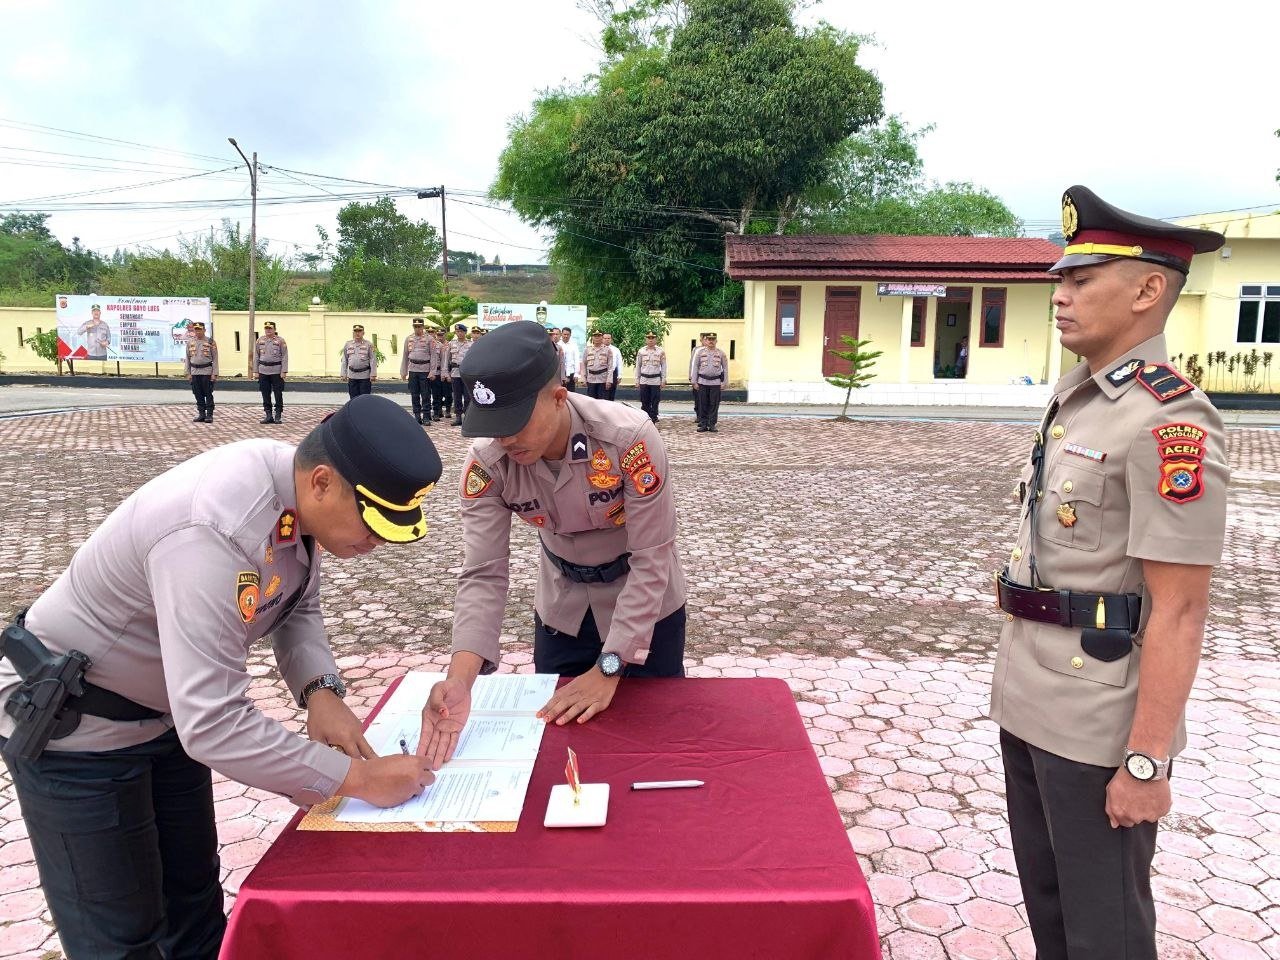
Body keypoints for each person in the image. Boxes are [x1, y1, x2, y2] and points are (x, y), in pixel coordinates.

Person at [0, 394, 442, 960]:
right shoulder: (213, 528)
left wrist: (320, 691)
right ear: (324, 483)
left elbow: (294, 599)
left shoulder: (295, 489)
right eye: (374, 525)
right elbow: (213, 723)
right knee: (120, 940)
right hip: (79, 735)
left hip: (166, 720)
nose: (377, 543)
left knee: (195, 915)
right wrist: (356, 779)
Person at [991, 185, 1229, 960]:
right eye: (1060, 279)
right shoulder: (1079, 397)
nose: (1060, 296)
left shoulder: (1167, 418)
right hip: (1032, 697)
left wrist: (1146, 762)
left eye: (1081, 280)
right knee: (1053, 917)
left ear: (1148, 290)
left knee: (1106, 935)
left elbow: (1181, 609)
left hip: (1098, 723)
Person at [419, 321, 687, 768]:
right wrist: (460, 682)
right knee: (560, 752)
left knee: (655, 746)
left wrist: (610, 666)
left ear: (559, 397)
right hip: (563, 611)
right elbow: (483, 572)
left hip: (646, 608)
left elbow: (652, 556)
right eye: (492, 425)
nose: (505, 438)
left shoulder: (628, 438)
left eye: (514, 423)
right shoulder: (488, 462)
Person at [182, 321, 218, 424]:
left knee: (208, 393)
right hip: (194, 372)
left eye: (200, 330)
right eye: (196, 330)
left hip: (207, 371)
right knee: (197, 394)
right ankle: (201, 414)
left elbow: (215, 359)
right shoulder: (190, 342)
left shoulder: (211, 342)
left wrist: (214, 373)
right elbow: (187, 358)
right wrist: (188, 373)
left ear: (204, 330)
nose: (198, 332)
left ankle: (209, 414)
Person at [692, 331, 728, 432]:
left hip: (715, 382)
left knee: (714, 404)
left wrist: (725, 382)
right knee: (703, 403)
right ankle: (703, 424)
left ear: (716, 341)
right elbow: (695, 367)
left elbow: (725, 369)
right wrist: (694, 381)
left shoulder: (721, 353)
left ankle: (712, 424)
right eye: (709, 339)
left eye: (713, 339)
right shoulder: (699, 353)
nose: (711, 341)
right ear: (706, 340)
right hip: (702, 382)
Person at [253, 321, 288, 425]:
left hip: (276, 371)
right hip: (263, 370)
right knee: (265, 393)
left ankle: (278, 415)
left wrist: (284, 371)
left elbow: (285, 356)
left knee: (278, 393)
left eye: (270, 328)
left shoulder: (280, 341)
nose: (268, 330)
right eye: (266, 328)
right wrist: (255, 371)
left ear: (274, 329)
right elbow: (256, 356)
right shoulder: (260, 340)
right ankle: (268, 415)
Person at [402, 318, 434, 424]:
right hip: (413, 369)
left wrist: (432, 371)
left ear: (423, 327)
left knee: (425, 394)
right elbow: (405, 355)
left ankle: (426, 416)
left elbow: (433, 356)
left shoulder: (429, 339)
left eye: (419, 326)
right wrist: (403, 371)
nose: (417, 328)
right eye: (415, 326)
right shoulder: (409, 339)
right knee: (414, 394)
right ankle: (417, 415)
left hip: (425, 369)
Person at [635, 331, 667, 423]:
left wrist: (663, 379)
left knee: (655, 401)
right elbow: (638, 366)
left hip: (655, 380)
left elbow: (664, 366)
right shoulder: (641, 351)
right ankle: (645, 418)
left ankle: (653, 418)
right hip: (644, 379)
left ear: (656, 339)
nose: (651, 340)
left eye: (653, 338)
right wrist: (637, 379)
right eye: (649, 338)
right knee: (644, 400)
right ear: (646, 339)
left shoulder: (660, 351)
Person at [340, 324, 377, 399]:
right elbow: (345, 359)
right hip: (352, 376)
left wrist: (373, 374)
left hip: (365, 376)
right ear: (353, 333)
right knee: (353, 398)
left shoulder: (369, 344)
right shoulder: (348, 344)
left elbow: (373, 359)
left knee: (364, 399)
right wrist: (343, 373)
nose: (357, 333)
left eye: (359, 331)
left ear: (363, 333)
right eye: (355, 331)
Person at [447, 323, 472, 426]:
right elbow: (447, 359)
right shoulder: (451, 344)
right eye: (457, 331)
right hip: (455, 372)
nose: (459, 333)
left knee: (467, 396)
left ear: (465, 332)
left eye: (461, 331)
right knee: (456, 396)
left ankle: (467, 417)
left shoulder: (471, 344)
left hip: (466, 373)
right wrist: (446, 373)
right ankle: (458, 417)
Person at [580, 330, 612, 400]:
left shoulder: (607, 350)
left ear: (602, 337)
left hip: (603, 380)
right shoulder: (587, 350)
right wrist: (583, 378)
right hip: (591, 379)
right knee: (591, 401)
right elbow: (583, 365)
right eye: (595, 336)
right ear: (592, 337)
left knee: (602, 401)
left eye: (599, 336)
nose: (597, 338)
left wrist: (609, 380)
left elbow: (610, 367)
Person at [430, 326, 449, 422]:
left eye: (432, 332)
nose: (440, 336)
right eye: (429, 332)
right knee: (426, 394)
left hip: (437, 372)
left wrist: (443, 373)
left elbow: (443, 361)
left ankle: (437, 412)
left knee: (437, 394)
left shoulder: (441, 345)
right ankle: (428, 413)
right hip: (425, 372)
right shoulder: (425, 344)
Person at [603, 332, 623, 402]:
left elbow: (619, 363)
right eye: (605, 338)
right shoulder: (599, 349)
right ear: (602, 339)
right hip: (602, 374)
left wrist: (619, 375)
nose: (607, 340)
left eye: (608, 338)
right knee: (602, 394)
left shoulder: (616, 350)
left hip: (613, 373)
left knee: (611, 394)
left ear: (611, 339)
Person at [559, 325, 579, 392]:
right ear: (561, 334)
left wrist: (576, 373)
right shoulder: (558, 344)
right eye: (564, 334)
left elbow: (576, 359)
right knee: (560, 393)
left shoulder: (574, 345)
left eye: (568, 334)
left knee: (571, 393)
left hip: (571, 372)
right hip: (560, 373)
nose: (566, 336)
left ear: (570, 335)